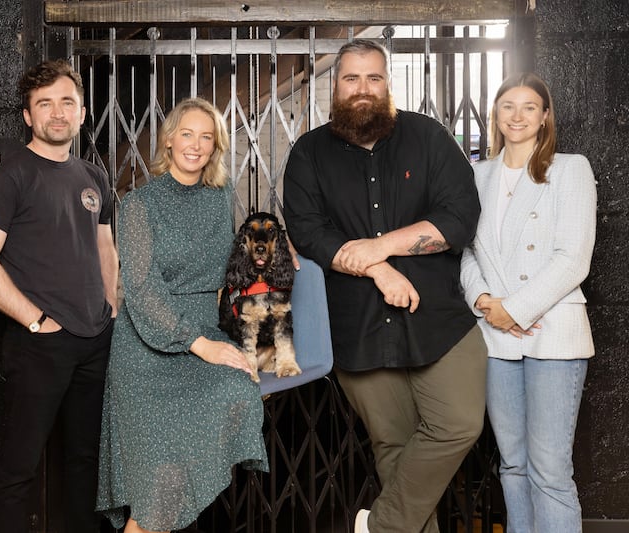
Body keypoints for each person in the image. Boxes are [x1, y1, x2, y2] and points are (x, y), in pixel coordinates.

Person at [283, 39, 487, 533]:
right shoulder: (309, 152)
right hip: (356, 327)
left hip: (439, 320)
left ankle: (380, 528)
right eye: (351, 78)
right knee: (394, 449)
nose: (363, 89)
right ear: (335, 86)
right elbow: (308, 232)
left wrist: (382, 245)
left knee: (459, 424)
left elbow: (460, 217)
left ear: (388, 82)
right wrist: (377, 266)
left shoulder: (429, 137)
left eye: (374, 78)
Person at [96, 97, 268, 533]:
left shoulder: (220, 196)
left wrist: (279, 251)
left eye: (206, 137)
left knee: (239, 394)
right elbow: (141, 289)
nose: (196, 145)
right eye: (186, 134)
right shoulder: (137, 205)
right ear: (169, 141)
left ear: (216, 147)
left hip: (204, 331)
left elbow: (230, 265)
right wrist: (202, 344)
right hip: (146, 348)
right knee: (159, 482)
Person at [0, 59, 118, 532]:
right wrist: (34, 319)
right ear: (28, 116)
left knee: (85, 462)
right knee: (19, 465)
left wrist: (111, 307)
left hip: (95, 339)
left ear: (83, 112)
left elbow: (106, 246)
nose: (57, 112)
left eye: (66, 102)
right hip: (38, 343)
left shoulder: (93, 177)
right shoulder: (8, 176)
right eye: (44, 104)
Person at [460, 72, 596, 533]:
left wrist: (514, 309)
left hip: (552, 335)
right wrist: (483, 300)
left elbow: (573, 258)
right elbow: (465, 251)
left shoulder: (570, 168)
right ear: (495, 116)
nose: (517, 116)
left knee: (550, 472)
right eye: (507, 106)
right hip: (496, 338)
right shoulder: (477, 175)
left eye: (529, 107)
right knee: (513, 465)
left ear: (544, 116)